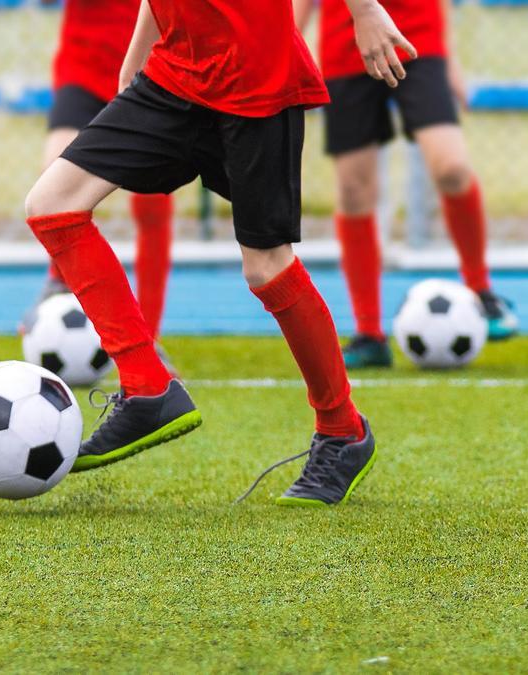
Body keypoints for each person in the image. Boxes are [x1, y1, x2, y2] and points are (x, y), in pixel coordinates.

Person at [23, 0, 416, 506]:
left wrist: (363, 10)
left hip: (256, 77)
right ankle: (148, 386)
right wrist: (138, 53)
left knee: (266, 267)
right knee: (52, 204)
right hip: (174, 73)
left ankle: (343, 431)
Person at [295, 0, 519, 369]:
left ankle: (481, 292)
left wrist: (449, 59)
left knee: (452, 168)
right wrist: (292, 48)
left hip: (418, 42)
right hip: (345, 46)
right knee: (354, 191)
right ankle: (369, 334)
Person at [22, 0, 173, 347]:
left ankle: (149, 335)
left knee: (153, 202)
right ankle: (58, 284)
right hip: (85, 66)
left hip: (150, 75)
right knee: (54, 176)